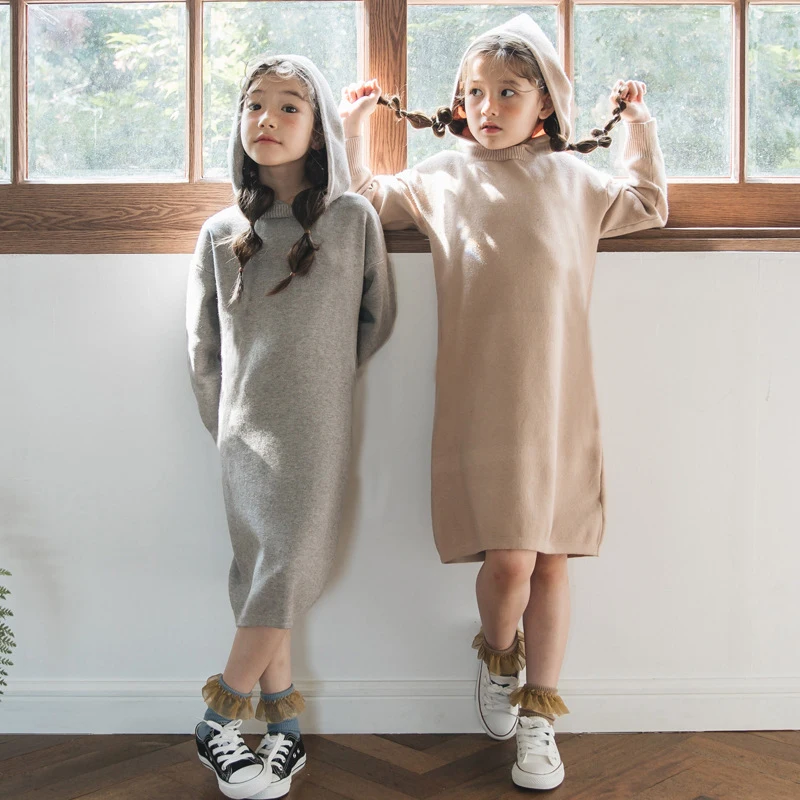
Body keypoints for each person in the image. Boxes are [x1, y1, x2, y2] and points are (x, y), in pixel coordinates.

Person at [339, 14, 667, 791]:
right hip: (482, 397)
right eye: (476, 93)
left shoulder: (575, 181)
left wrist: (640, 125)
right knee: (510, 557)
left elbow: (649, 203)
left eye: (509, 93)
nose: (488, 107)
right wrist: (354, 128)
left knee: (552, 559)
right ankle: (497, 656)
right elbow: (364, 201)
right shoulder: (442, 178)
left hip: (559, 396)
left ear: (544, 103)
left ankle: (538, 719)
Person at [187, 53, 396, 799]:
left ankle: (215, 723)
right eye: (254, 105)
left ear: (318, 127)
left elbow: (375, 318)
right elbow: (203, 349)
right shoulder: (221, 232)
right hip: (241, 432)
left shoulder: (352, 220)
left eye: (288, 106)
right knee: (262, 577)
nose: (266, 119)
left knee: (286, 569)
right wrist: (227, 421)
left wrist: (318, 384)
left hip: (316, 428)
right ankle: (285, 731)